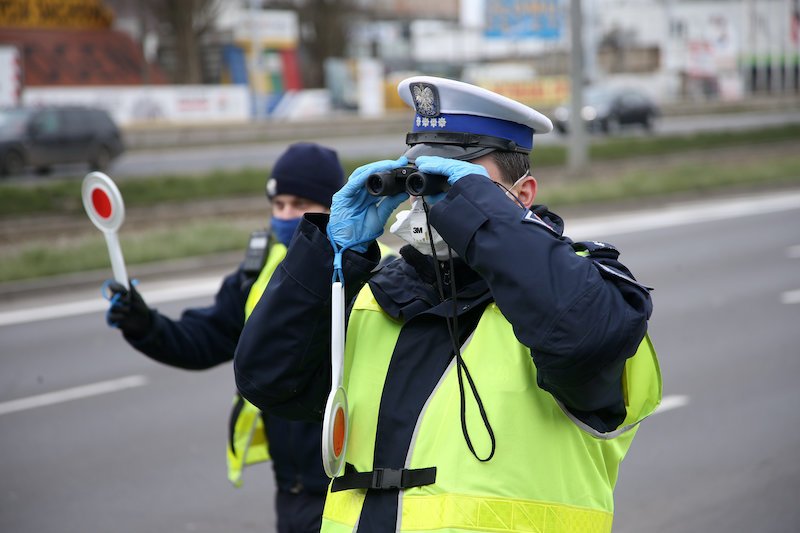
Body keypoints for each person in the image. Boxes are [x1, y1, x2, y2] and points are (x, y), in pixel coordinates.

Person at [234, 77, 661, 533]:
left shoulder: (589, 289)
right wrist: (332, 255)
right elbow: (267, 380)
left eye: (457, 184)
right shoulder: (375, 295)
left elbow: (584, 340)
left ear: (522, 195)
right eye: (422, 182)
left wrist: (484, 219)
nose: (430, 203)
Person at [105, 142, 395, 533]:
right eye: (279, 205)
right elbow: (204, 339)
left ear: (335, 205)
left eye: (300, 204)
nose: (287, 215)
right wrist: (144, 324)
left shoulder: (378, 270)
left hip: (349, 484)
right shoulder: (258, 271)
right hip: (289, 488)